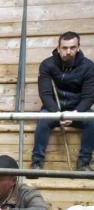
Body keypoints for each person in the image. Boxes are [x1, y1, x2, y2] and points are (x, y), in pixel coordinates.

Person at [31, 31, 94, 171]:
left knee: (92, 120)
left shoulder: (88, 67)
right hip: (53, 109)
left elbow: (89, 96)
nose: (68, 51)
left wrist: (74, 114)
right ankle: (37, 163)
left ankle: (83, 163)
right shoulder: (47, 65)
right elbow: (45, 94)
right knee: (43, 120)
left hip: (78, 109)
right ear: (58, 48)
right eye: (65, 48)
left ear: (78, 47)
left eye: (72, 47)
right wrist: (58, 114)